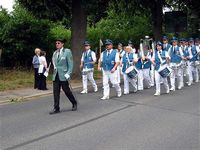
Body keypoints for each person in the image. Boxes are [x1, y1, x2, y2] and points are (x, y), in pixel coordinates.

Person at [50, 38, 77, 114]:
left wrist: (68, 73)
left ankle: (74, 102)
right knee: (55, 92)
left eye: (58, 43)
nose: (57, 44)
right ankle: (56, 108)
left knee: (66, 91)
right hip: (56, 75)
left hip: (64, 75)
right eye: (56, 43)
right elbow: (55, 64)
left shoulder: (67, 52)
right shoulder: (55, 53)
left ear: (62, 44)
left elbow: (70, 64)